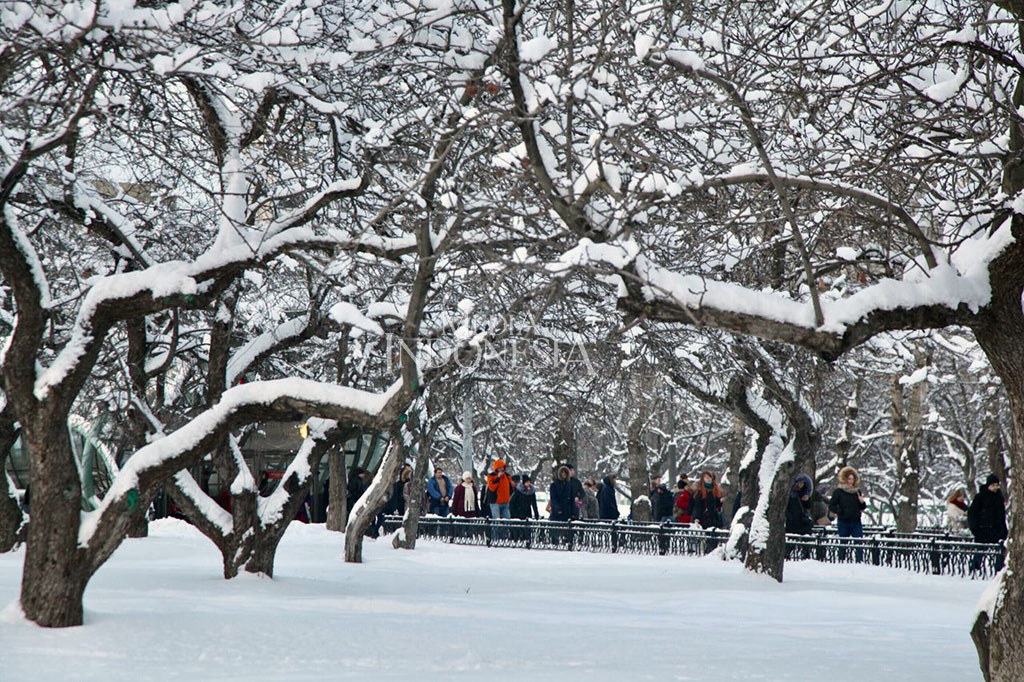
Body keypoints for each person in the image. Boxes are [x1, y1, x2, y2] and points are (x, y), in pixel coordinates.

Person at [968, 474, 1008, 572]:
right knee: (980, 551)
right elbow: (972, 513)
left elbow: (1002, 515)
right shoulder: (980, 497)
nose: (995, 487)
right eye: (993, 485)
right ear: (988, 485)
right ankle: (975, 569)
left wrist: (1004, 530)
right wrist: (975, 528)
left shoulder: (999, 497)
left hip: (997, 530)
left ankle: (999, 569)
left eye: (997, 485)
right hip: (982, 530)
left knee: (999, 552)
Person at [829, 466, 867, 538]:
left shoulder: (857, 491)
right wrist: (839, 511)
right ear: (845, 479)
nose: (851, 481)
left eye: (853, 479)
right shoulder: (838, 492)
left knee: (859, 543)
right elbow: (831, 505)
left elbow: (862, 507)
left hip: (856, 521)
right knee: (843, 543)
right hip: (843, 521)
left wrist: (862, 502)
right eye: (849, 479)